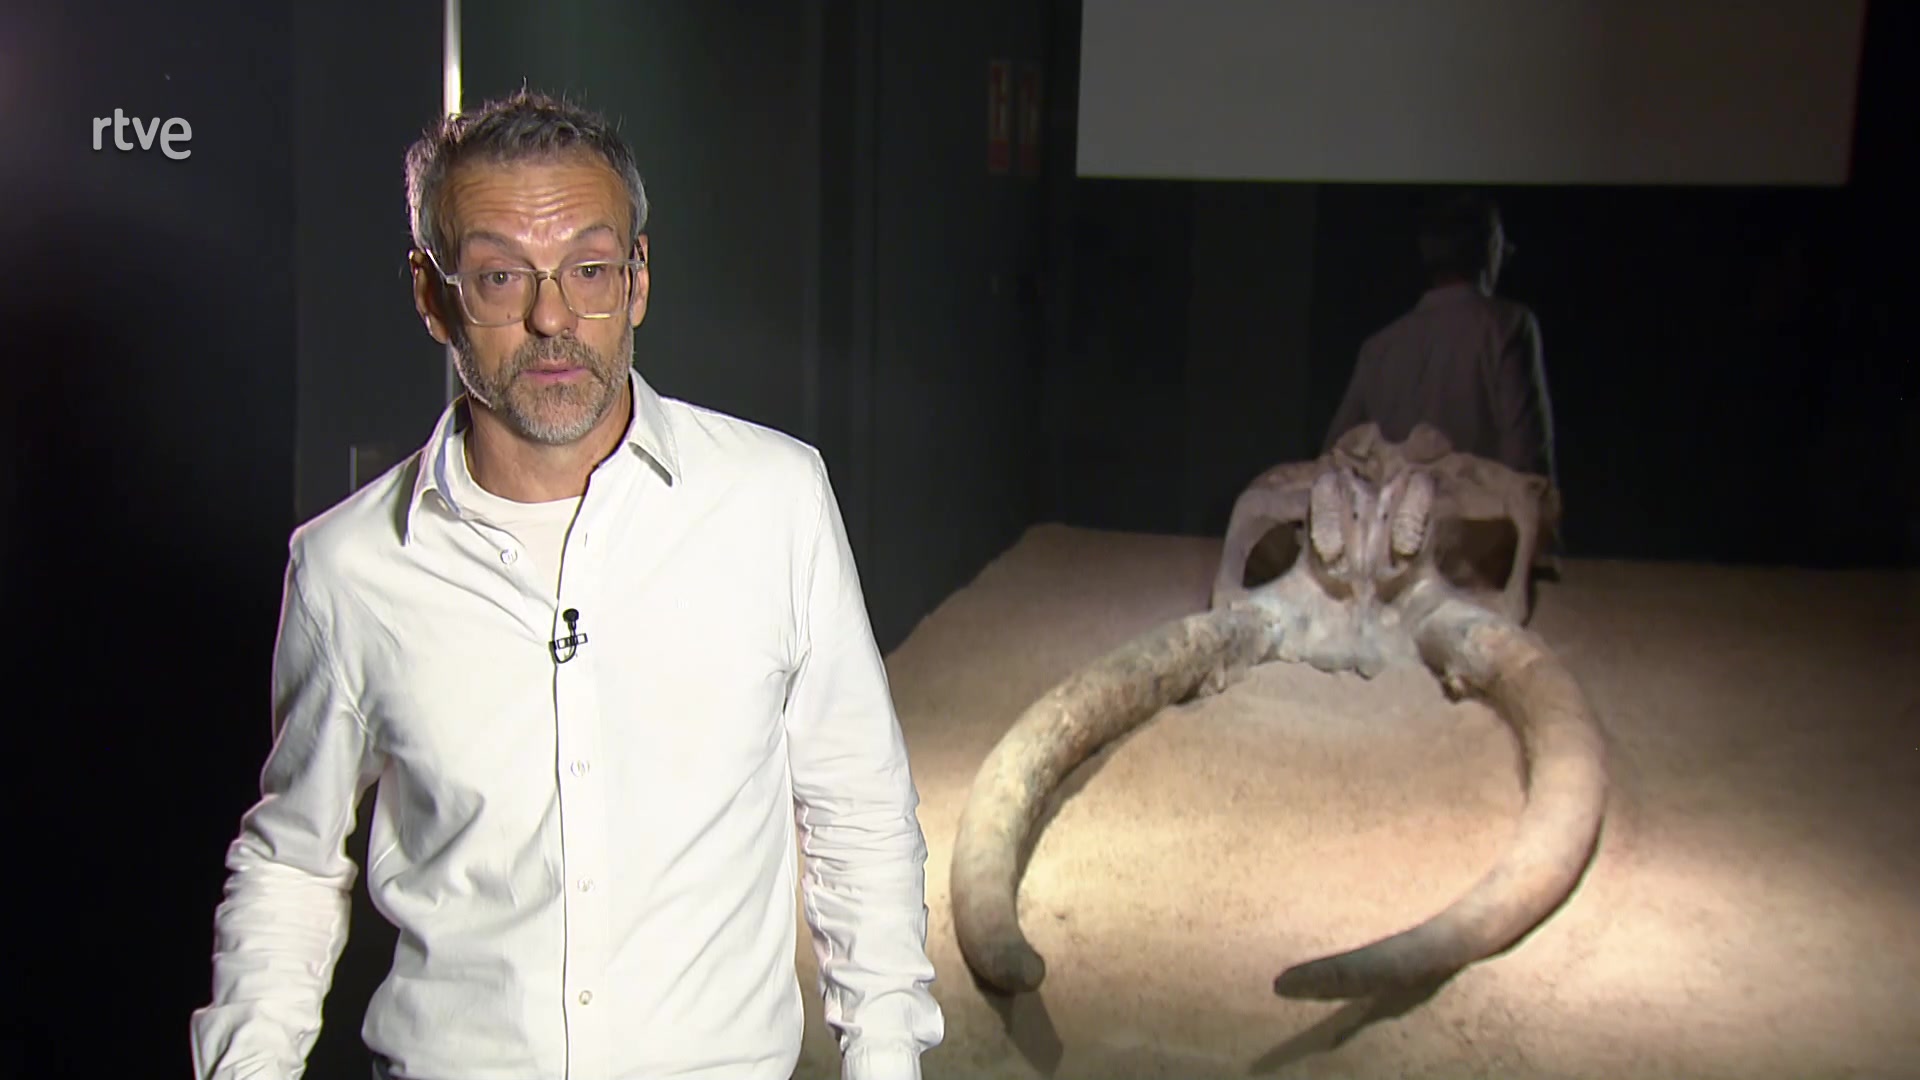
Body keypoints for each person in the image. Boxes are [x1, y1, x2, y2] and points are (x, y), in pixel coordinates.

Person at [189, 90, 944, 1080]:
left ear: (637, 280)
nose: (552, 318)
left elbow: (857, 812)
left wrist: (885, 1059)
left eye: (589, 269)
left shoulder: (773, 501)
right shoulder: (349, 568)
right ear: (432, 296)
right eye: (501, 277)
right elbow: (291, 859)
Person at [1323, 192, 1558, 487]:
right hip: (1479, 516)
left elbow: (1333, 462)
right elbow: (1528, 465)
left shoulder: (1379, 348)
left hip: (1395, 516)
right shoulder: (1507, 325)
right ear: (1491, 246)